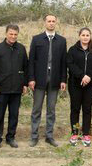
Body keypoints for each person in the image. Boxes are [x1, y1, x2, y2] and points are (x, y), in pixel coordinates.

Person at [27, 15, 67, 147]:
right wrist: (31, 78)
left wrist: (63, 79)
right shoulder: (37, 39)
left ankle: (49, 136)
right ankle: (34, 136)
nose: (51, 23)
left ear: (56, 23)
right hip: (39, 80)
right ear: (45, 22)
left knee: (51, 110)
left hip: (54, 80)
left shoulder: (61, 41)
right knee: (36, 109)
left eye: (53, 21)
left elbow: (63, 62)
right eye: (49, 21)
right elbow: (31, 61)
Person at [0, 24, 28, 148]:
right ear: (6, 34)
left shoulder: (21, 49)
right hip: (1, 89)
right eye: (11, 34)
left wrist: (25, 84)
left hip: (17, 89)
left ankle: (10, 137)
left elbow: (26, 67)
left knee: (14, 115)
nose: (13, 36)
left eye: (15, 34)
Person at [66, 27, 92, 146]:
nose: (85, 37)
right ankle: (75, 132)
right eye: (83, 35)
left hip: (89, 85)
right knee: (75, 109)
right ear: (79, 36)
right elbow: (70, 64)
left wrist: (89, 76)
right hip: (75, 84)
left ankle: (86, 133)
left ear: (90, 36)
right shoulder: (72, 50)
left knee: (87, 109)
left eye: (87, 35)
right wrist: (82, 76)